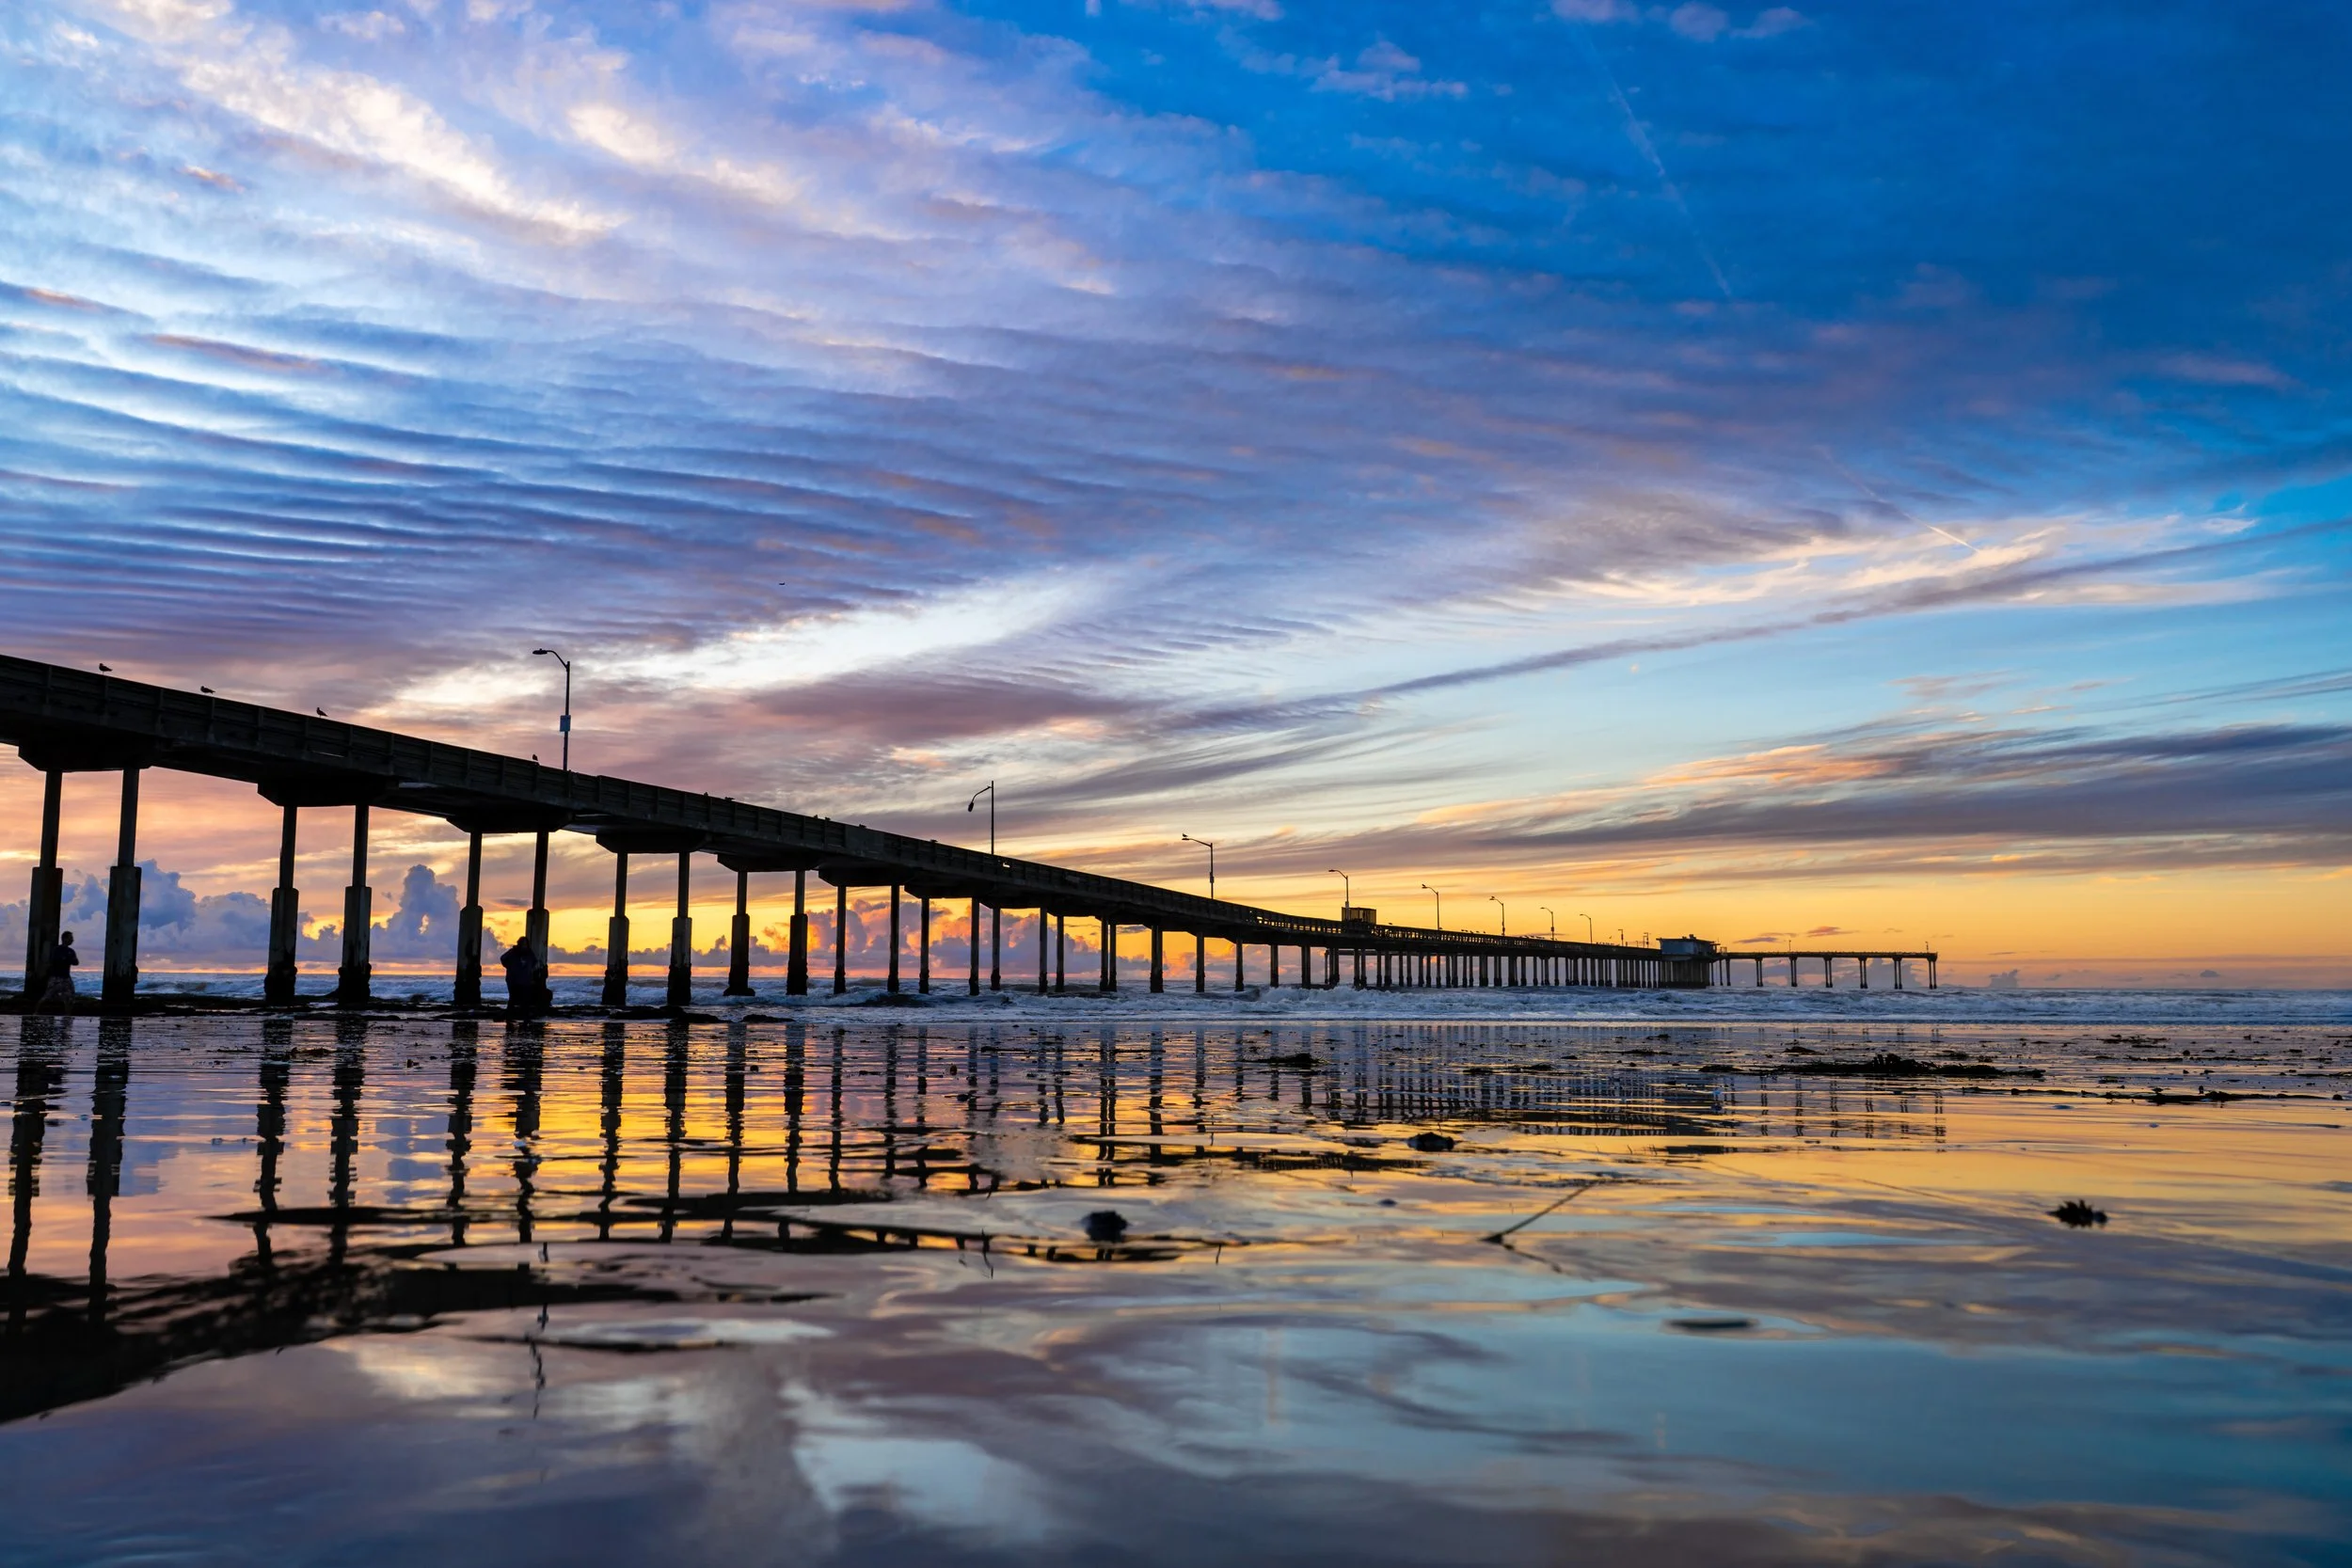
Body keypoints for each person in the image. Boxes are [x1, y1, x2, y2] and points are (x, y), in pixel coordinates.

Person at [499, 939, 548, 1017]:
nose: (524, 946)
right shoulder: (513, 952)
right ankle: (510, 1015)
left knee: (525, 999)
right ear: (519, 944)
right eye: (523, 944)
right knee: (512, 998)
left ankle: (524, 1015)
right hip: (513, 979)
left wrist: (528, 970)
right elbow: (503, 958)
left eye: (526, 944)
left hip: (525, 979)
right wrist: (509, 967)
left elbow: (534, 961)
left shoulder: (529, 953)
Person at [36, 930, 79, 1013]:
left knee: (70, 997)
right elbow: (54, 961)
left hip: (66, 977)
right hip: (56, 977)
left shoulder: (71, 951)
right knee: (47, 996)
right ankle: (35, 1012)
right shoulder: (57, 949)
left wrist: (69, 959)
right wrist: (66, 959)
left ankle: (67, 1015)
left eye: (72, 938)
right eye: (70, 938)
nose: (72, 940)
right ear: (64, 939)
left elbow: (76, 962)